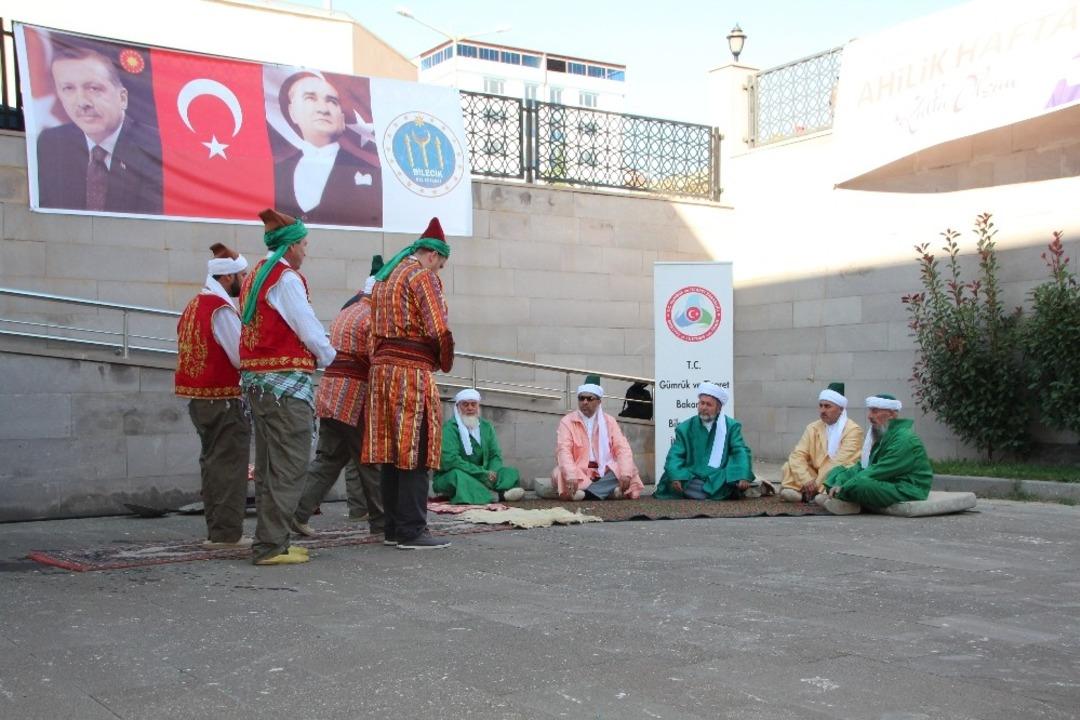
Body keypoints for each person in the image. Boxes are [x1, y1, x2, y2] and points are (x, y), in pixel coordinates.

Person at [239, 209, 336, 565]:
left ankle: (272, 540)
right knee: (290, 465)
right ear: (292, 245)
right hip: (284, 388)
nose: (306, 251)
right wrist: (330, 356)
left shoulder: (254, 277)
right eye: (304, 244)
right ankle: (270, 545)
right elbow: (307, 327)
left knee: (268, 466)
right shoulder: (286, 278)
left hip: (258, 385)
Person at [363, 218, 454, 549]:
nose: (439, 271)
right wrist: (443, 360)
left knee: (390, 451)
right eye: (440, 265)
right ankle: (413, 529)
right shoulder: (421, 276)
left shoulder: (384, 278)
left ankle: (393, 528)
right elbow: (437, 326)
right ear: (432, 256)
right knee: (417, 447)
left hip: (382, 372)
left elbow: (371, 329)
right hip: (411, 373)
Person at [292, 257, 385, 536]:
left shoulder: (348, 309)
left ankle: (297, 514)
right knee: (370, 460)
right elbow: (375, 358)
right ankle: (383, 523)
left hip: (331, 391)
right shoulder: (373, 316)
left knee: (328, 460)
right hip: (353, 395)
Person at [174, 243, 250, 549]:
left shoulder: (194, 305)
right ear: (228, 277)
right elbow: (239, 356)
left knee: (213, 465)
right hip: (223, 399)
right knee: (230, 467)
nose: (245, 280)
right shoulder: (220, 309)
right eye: (242, 275)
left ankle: (217, 530)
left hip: (199, 399)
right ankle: (226, 534)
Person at [36, 46, 162, 214]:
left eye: (93, 88)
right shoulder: (51, 143)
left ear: (122, 98)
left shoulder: (156, 145)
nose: (82, 102)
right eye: (68, 89)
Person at [273, 73, 382, 227]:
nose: (323, 109)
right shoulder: (277, 172)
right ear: (292, 112)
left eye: (332, 101)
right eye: (310, 98)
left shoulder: (371, 172)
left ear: (342, 118)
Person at [822, 394, 933, 515]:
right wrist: (840, 481)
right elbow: (863, 466)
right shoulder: (882, 434)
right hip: (887, 480)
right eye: (870, 411)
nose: (869, 416)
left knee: (861, 485)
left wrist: (844, 487)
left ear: (891, 414)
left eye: (875, 411)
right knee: (836, 472)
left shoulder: (904, 439)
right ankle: (844, 498)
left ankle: (843, 498)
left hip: (907, 488)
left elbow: (879, 470)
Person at [543, 375, 644, 501]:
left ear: (599, 401)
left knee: (629, 469)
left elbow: (622, 448)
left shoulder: (609, 421)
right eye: (581, 398)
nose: (585, 402)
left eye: (590, 398)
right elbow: (563, 450)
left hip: (604, 471)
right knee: (559, 473)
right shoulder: (567, 421)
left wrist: (625, 473)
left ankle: (588, 494)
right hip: (579, 472)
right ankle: (607, 492)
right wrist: (571, 475)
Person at [654, 382, 758, 500]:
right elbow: (675, 455)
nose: (703, 408)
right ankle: (717, 492)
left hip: (717, 475)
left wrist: (742, 474)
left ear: (718, 408)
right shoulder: (685, 428)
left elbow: (740, 451)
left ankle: (710, 491)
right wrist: (676, 476)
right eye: (701, 403)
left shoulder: (731, 426)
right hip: (692, 475)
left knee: (730, 477)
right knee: (673, 477)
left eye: (709, 405)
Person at [432, 389, 525, 505]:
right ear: (458, 407)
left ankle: (483, 490)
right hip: (458, 473)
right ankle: (496, 495)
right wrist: (481, 473)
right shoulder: (450, 428)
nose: (470, 408)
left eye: (473, 404)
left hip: (485, 473)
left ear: (478, 406)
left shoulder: (486, 426)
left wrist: (492, 472)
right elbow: (450, 461)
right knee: (458, 476)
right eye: (465, 404)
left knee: (510, 472)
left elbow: (495, 454)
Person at [779, 383, 864, 503]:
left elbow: (840, 461)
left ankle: (814, 493)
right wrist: (806, 479)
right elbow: (798, 454)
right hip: (814, 476)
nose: (822, 410)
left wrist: (816, 484)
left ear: (840, 409)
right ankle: (808, 493)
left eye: (827, 406)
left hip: (835, 473)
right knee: (790, 465)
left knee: (842, 472)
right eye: (821, 406)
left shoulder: (853, 430)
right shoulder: (813, 427)